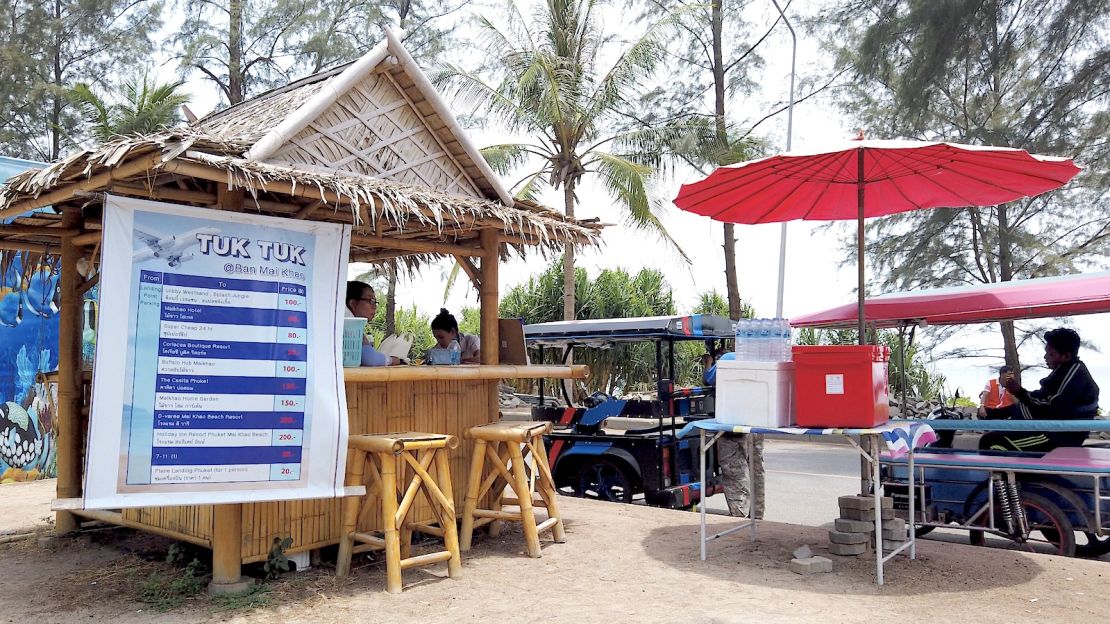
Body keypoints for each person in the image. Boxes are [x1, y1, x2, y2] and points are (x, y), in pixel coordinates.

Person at [978, 328, 1099, 452]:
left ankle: (1021, 471)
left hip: (1059, 436)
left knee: (991, 442)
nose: (1045, 357)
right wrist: (994, 413)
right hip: (1050, 428)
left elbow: (1050, 408)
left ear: (1066, 356)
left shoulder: (1075, 374)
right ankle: (1022, 471)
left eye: (1051, 354)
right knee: (994, 437)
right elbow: (1037, 399)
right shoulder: (1064, 371)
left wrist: (1019, 392)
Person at [702, 343, 765, 520]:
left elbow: (708, 378)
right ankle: (757, 515)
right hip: (755, 425)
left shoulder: (726, 360)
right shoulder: (753, 360)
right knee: (756, 472)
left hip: (732, 428)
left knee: (735, 474)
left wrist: (708, 363)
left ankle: (738, 518)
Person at [345, 281, 400, 366]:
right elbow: (370, 359)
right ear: (353, 303)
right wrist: (393, 360)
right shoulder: (348, 323)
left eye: (375, 301)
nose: (374, 306)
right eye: (370, 300)